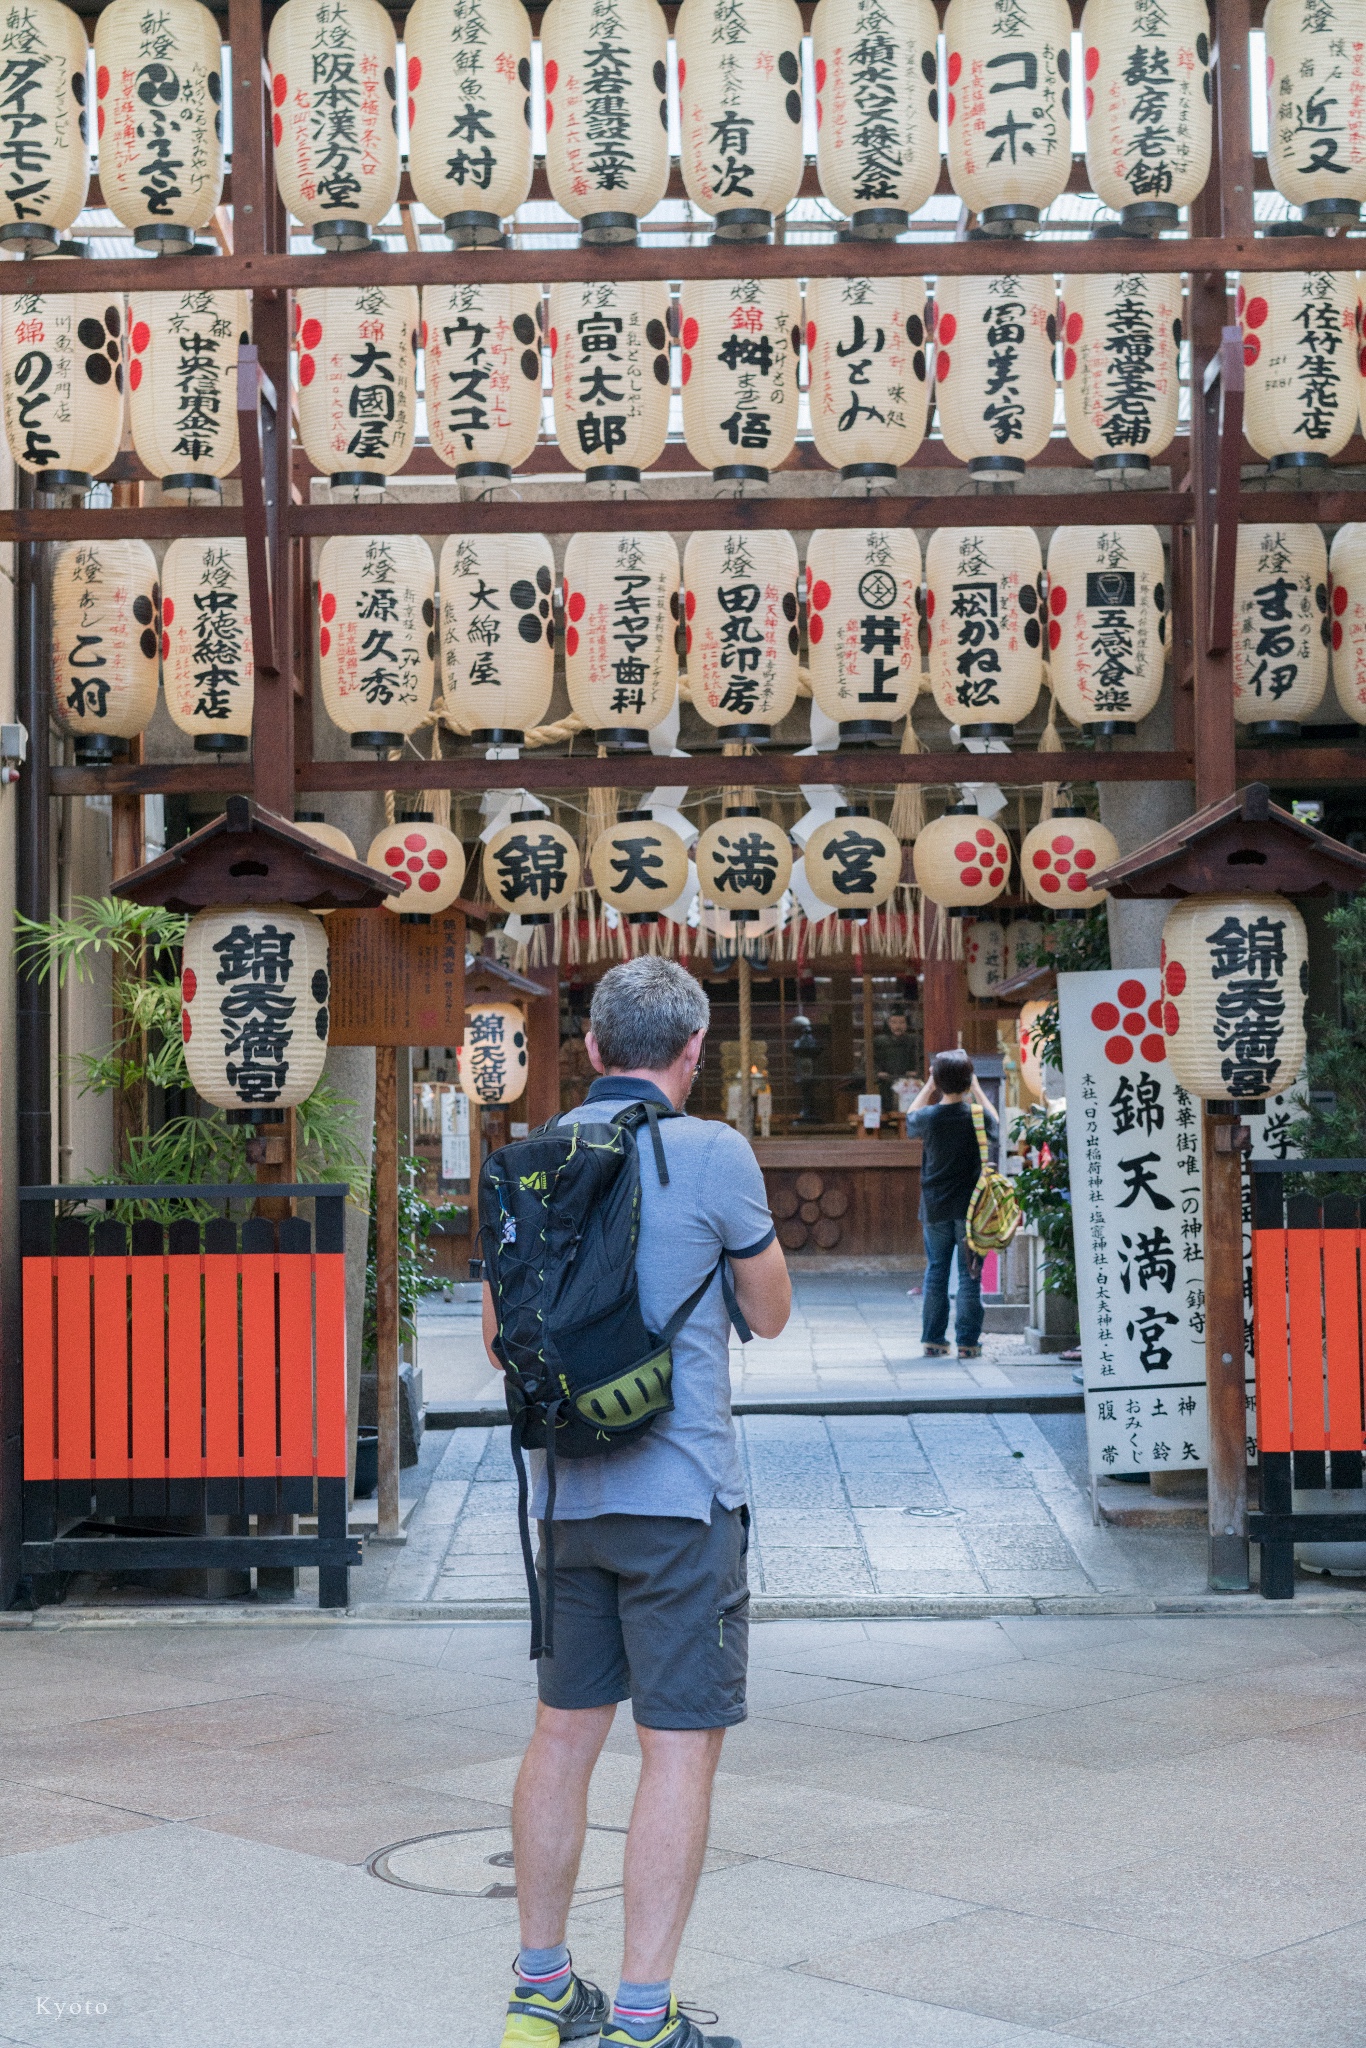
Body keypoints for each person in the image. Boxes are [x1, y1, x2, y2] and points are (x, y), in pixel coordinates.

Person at [483, 956, 792, 2048]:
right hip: (682, 1497)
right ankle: (645, 2016)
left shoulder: (528, 1158)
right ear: (693, 1052)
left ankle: (538, 1991)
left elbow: (496, 1341)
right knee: (677, 1747)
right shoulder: (713, 1152)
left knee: (562, 1737)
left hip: (562, 1494)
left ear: (594, 1050)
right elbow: (771, 1310)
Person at [904, 1049, 999, 1359]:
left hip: (935, 1208)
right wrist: (979, 1090)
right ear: (968, 1078)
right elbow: (997, 1123)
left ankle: (933, 1340)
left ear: (938, 1079)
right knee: (970, 1275)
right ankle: (968, 1343)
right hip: (973, 1210)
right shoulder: (977, 1115)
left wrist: (929, 1086)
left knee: (936, 1272)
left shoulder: (929, 1118)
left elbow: (910, 1118)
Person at [872, 1009, 918, 1113]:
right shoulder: (879, 1041)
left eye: (902, 1022)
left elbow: (920, 1059)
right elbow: (871, 1061)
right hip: (885, 1081)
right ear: (888, 1024)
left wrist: (916, 1072)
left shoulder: (914, 1040)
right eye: (894, 1022)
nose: (898, 1026)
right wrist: (878, 1072)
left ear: (907, 1024)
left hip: (909, 1082)